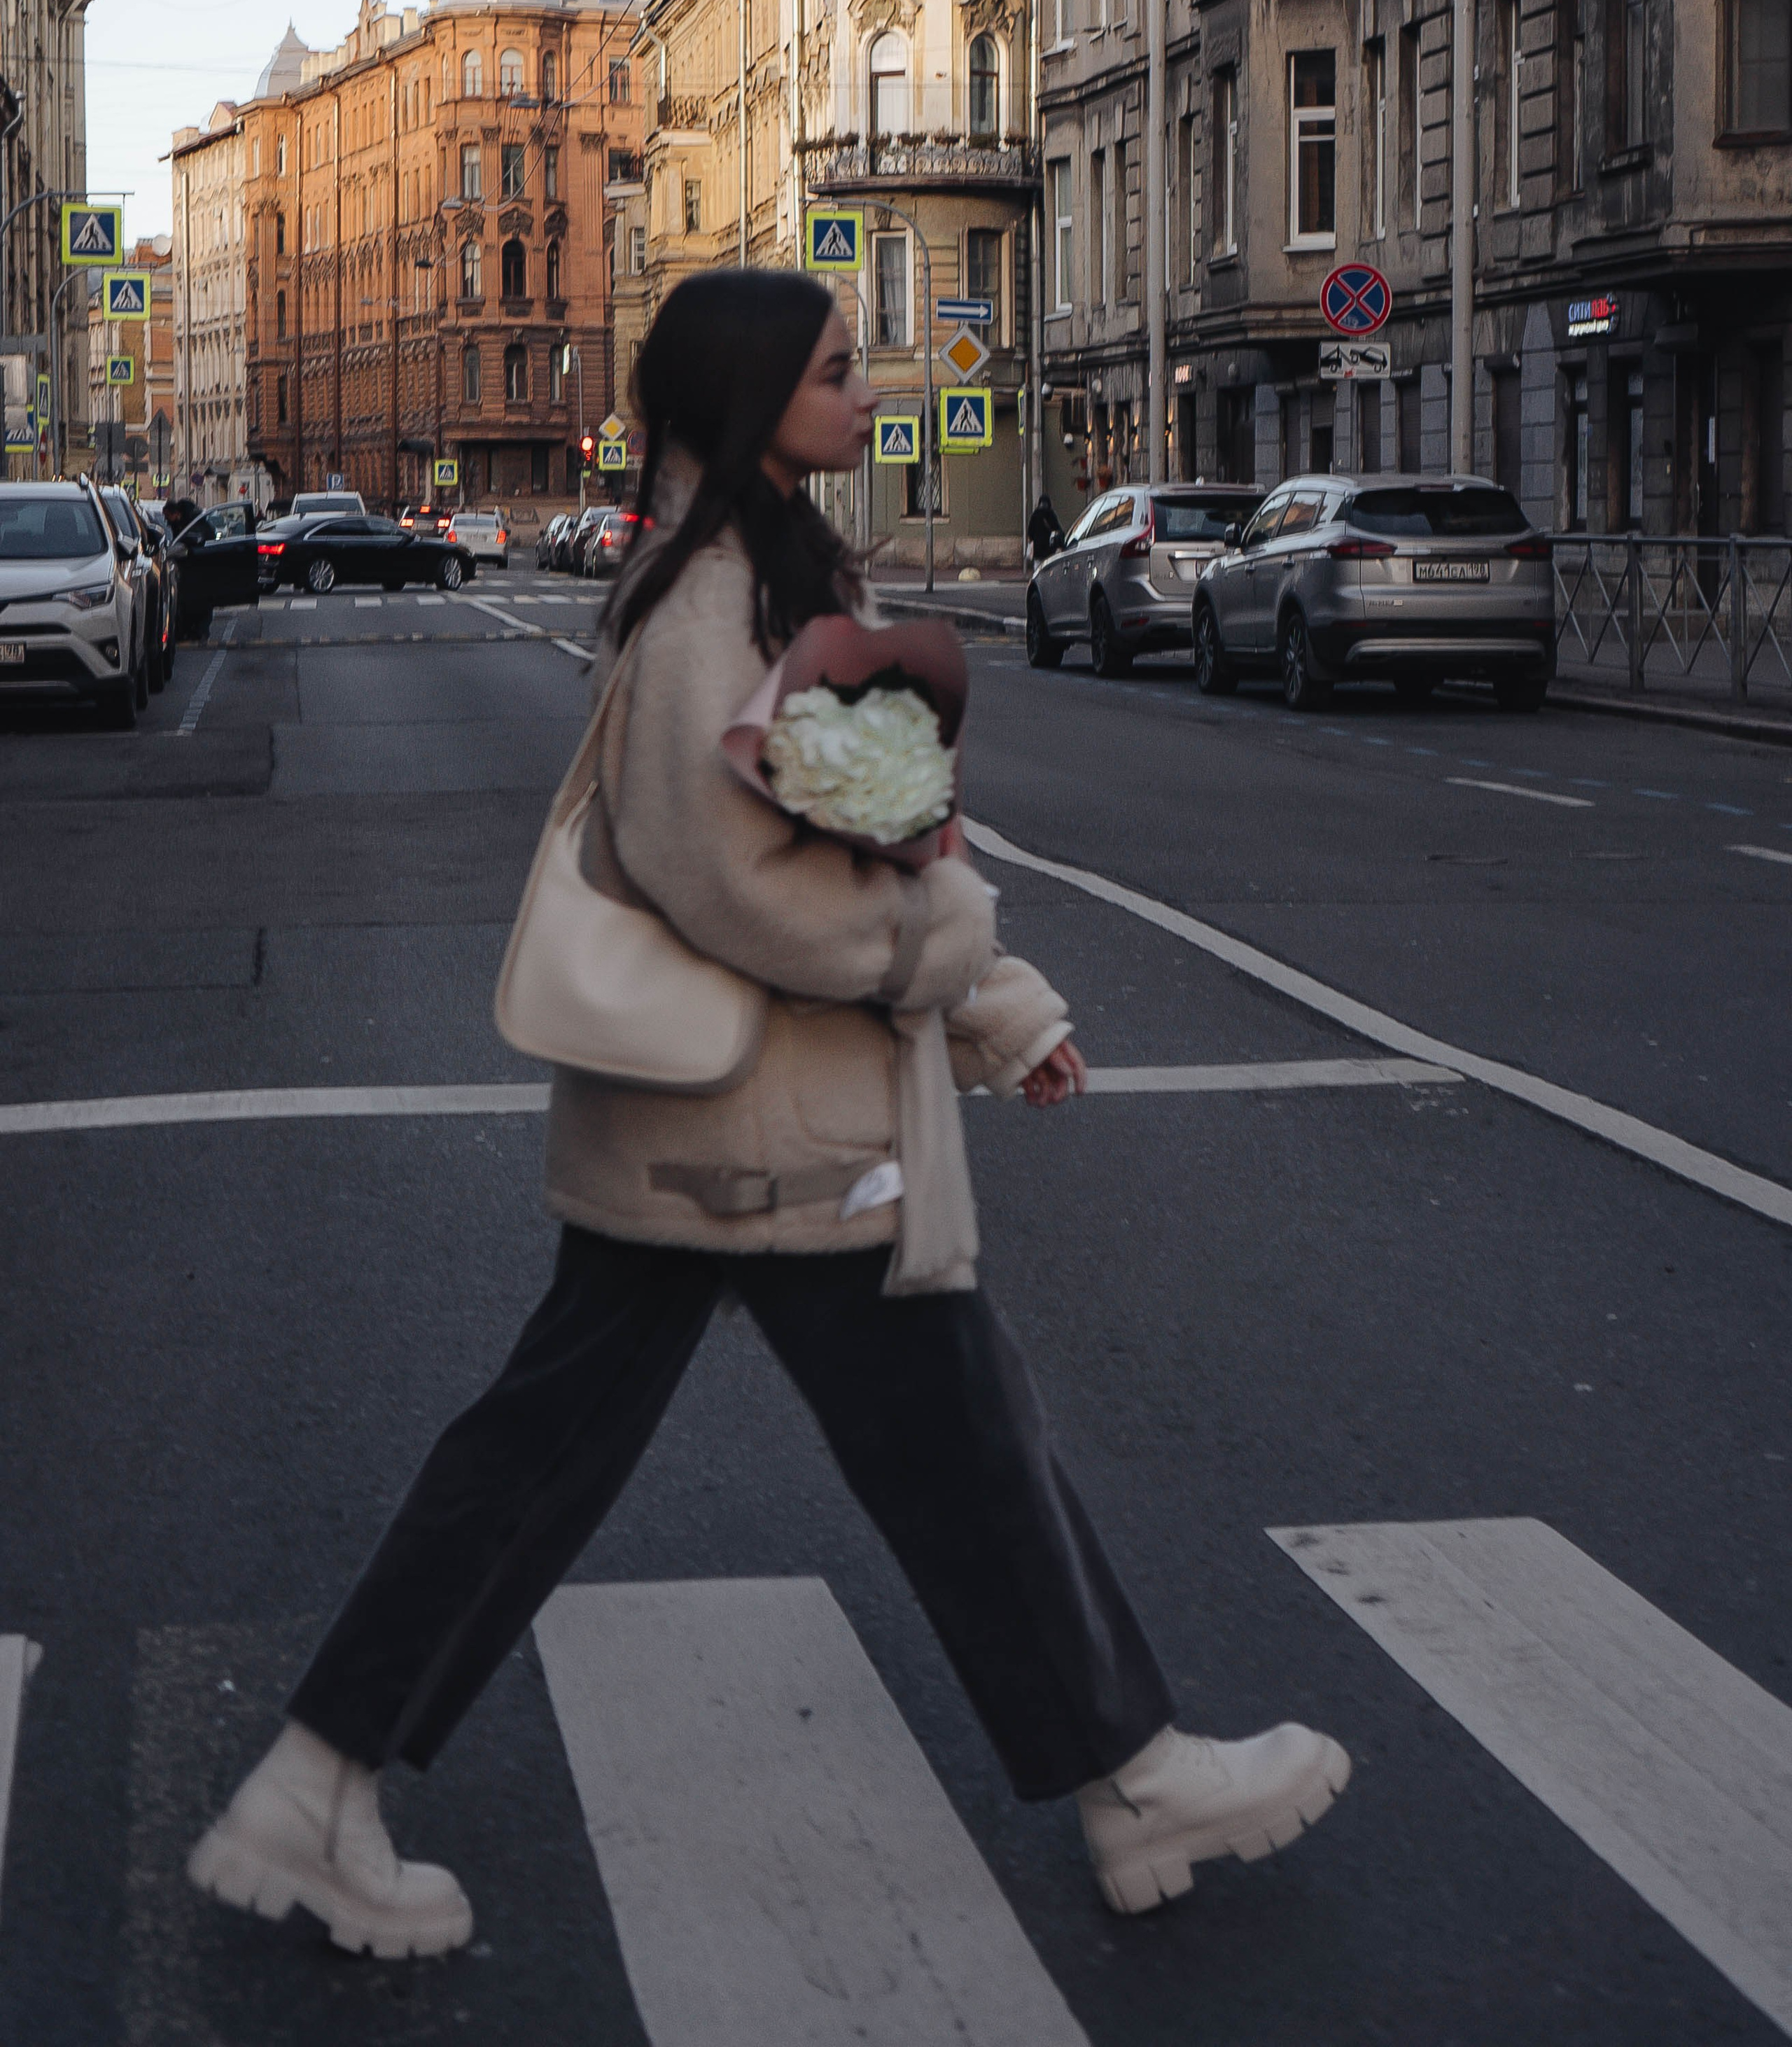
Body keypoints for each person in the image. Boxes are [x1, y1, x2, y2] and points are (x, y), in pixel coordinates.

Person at [187, 271, 1349, 1959]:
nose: (866, 390)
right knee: (932, 1449)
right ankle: (1132, 1776)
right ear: (748, 397)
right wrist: (930, 962)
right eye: (829, 369)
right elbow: (729, 875)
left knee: (607, 1453)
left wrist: (997, 1002)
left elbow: (888, 833)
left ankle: (316, 1782)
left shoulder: (778, 568)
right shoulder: (710, 599)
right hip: (759, 1130)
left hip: (747, 1125)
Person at [1026, 491, 1064, 568]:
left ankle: (1038, 579)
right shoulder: (1051, 514)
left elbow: (1030, 531)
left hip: (1037, 547)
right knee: (1048, 566)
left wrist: (1031, 540)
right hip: (1049, 547)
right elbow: (1057, 529)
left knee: (1038, 566)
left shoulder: (1035, 514)